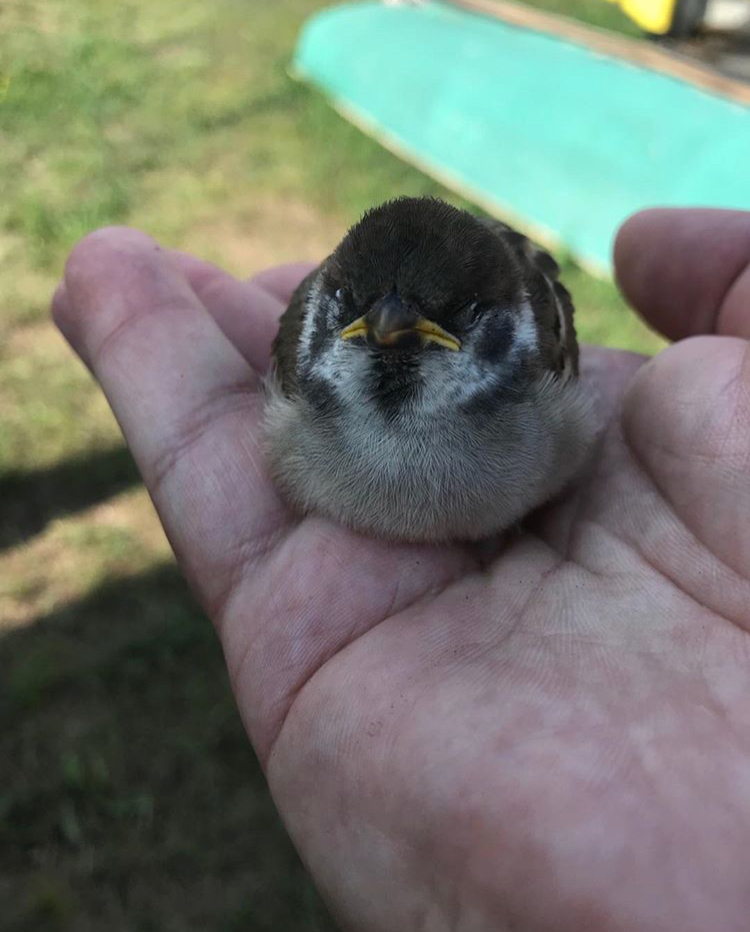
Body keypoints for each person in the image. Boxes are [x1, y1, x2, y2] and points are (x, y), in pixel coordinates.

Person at [52, 208, 750, 931]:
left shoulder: (540, 382)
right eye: (358, 313)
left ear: (509, 323)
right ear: (331, 307)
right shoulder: (302, 374)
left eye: (459, 320)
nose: (389, 331)